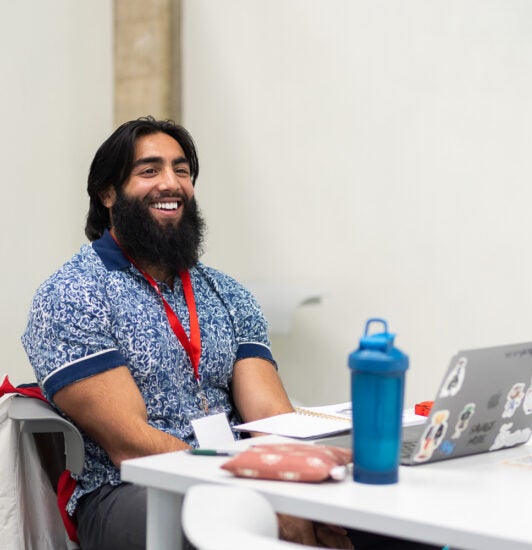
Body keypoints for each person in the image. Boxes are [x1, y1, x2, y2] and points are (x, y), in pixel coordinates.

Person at [22, 117, 438, 550]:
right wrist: (260, 497)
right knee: (235, 526)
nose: (171, 183)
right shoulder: (73, 293)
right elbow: (131, 444)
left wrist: (290, 496)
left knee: (400, 520)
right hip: (131, 490)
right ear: (108, 193)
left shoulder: (226, 292)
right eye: (150, 171)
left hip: (245, 473)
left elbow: (273, 423)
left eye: (181, 171)